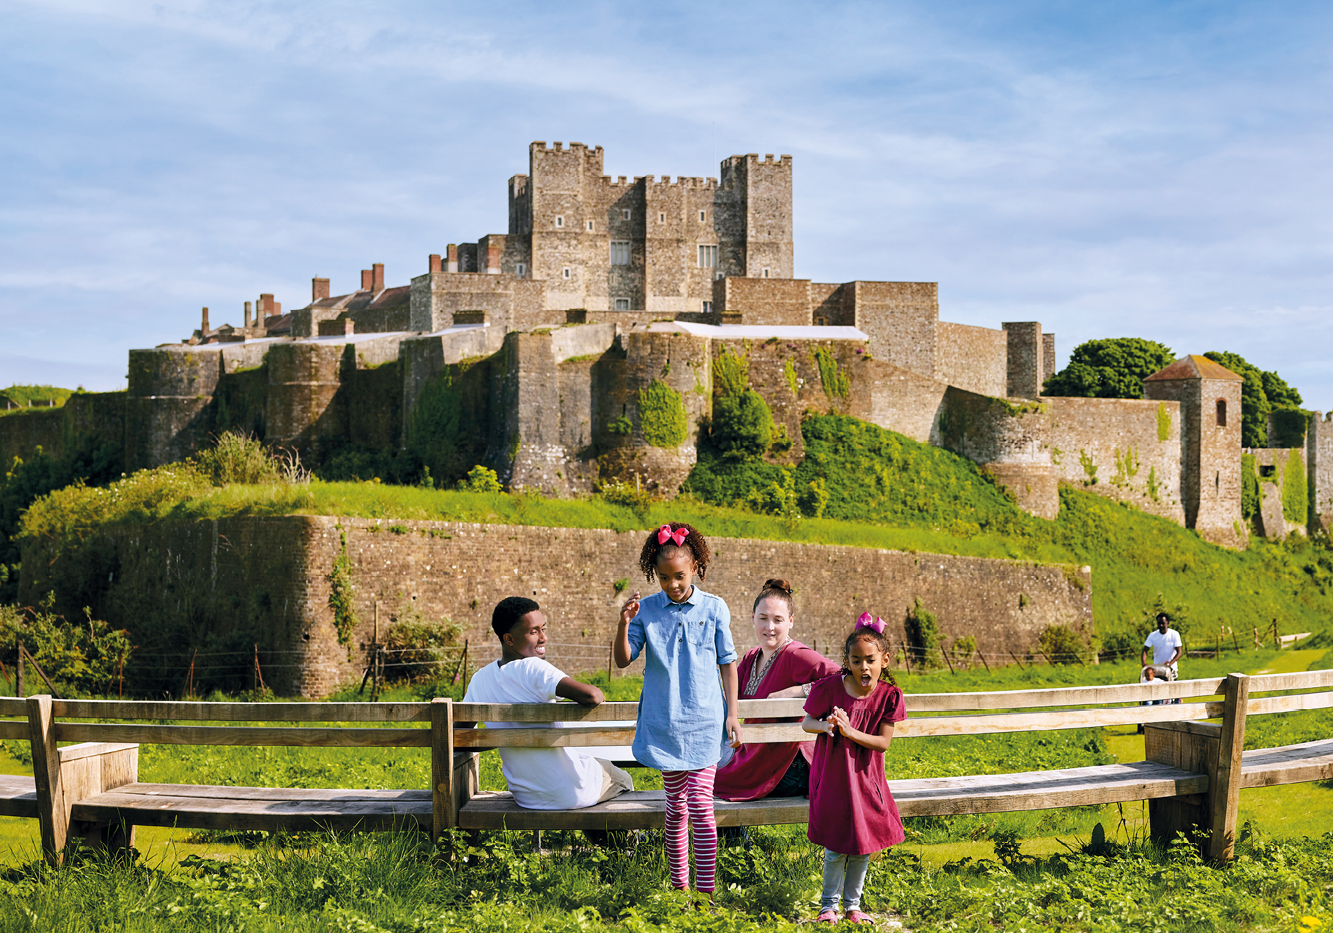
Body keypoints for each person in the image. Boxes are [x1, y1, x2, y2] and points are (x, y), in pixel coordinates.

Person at [613, 522, 742, 901]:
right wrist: (623, 624)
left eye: (679, 576)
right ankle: (679, 888)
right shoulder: (646, 610)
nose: (672, 584)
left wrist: (732, 714)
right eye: (664, 577)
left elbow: (728, 664)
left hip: (705, 722)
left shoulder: (715, 607)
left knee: (701, 806)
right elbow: (623, 660)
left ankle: (705, 894)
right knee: (675, 809)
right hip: (666, 723)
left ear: (697, 567)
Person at [462, 596, 634, 809]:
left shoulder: (480, 679)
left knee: (591, 769)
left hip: (526, 797)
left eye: (543, 628)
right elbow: (592, 696)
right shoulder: (532, 668)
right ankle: (626, 842)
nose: (543, 637)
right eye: (533, 631)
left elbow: (460, 731)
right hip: (570, 792)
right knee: (622, 779)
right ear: (509, 639)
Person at [802, 613, 907, 925]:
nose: (864, 667)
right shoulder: (829, 688)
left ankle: (853, 907)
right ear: (846, 660)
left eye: (870, 660)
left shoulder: (889, 696)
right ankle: (827, 908)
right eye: (856, 660)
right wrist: (826, 724)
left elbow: (883, 742)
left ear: (884, 660)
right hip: (833, 780)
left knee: (862, 847)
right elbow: (807, 723)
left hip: (867, 783)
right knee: (835, 847)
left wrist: (850, 732)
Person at [714, 578, 841, 802]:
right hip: (758, 757)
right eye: (763, 618)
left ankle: (732, 836)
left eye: (778, 620)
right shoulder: (752, 657)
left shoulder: (796, 654)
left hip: (791, 764)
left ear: (790, 622)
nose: (769, 627)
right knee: (704, 778)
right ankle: (733, 837)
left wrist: (797, 691)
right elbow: (729, 693)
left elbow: (842, 677)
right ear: (752, 618)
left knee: (713, 783)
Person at [1142, 612, 1183, 694]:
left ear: (1167, 623)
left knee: (1171, 692)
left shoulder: (1174, 634)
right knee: (1158, 693)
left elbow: (1179, 651)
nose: (1161, 625)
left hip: (1170, 669)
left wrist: (1171, 663)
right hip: (1157, 668)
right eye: (1159, 623)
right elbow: (1145, 650)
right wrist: (1144, 663)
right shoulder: (1153, 635)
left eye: (1163, 623)